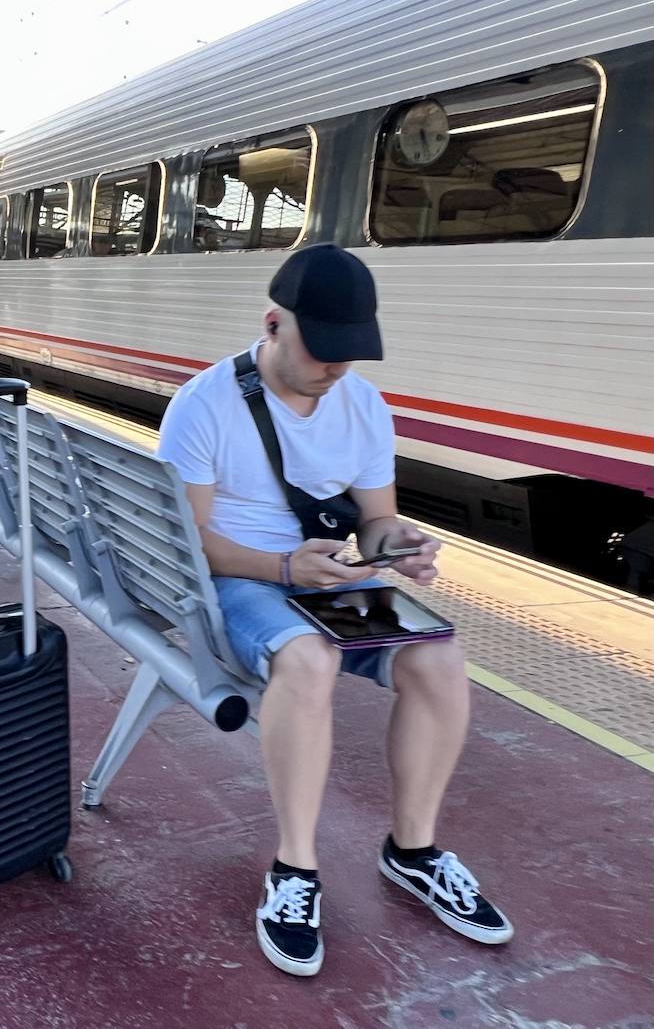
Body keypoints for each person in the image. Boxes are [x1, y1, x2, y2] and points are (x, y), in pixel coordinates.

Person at [155, 243, 512, 979]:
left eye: (351, 352)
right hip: (239, 580)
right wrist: (283, 566)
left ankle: (412, 850)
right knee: (308, 659)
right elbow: (188, 543)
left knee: (439, 657)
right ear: (274, 325)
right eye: (323, 351)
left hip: (326, 577)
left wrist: (398, 545)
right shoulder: (205, 402)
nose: (337, 368)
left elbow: (375, 521)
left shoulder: (363, 403)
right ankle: (295, 870)